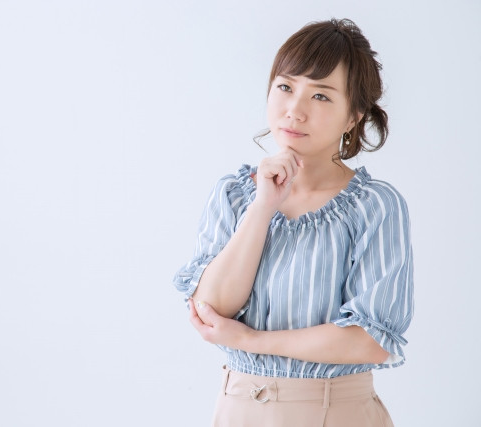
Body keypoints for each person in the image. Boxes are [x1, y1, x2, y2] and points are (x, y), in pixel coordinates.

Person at [173, 18, 413, 427]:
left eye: (320, 95)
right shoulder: (234, 196)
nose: (294, 111)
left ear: (353, 116)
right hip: (238, 410)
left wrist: (251, 340)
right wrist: (263, 206)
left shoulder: (374, 206)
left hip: (337, 413)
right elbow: (210, 310)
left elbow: (369, 340)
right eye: (285, 87)